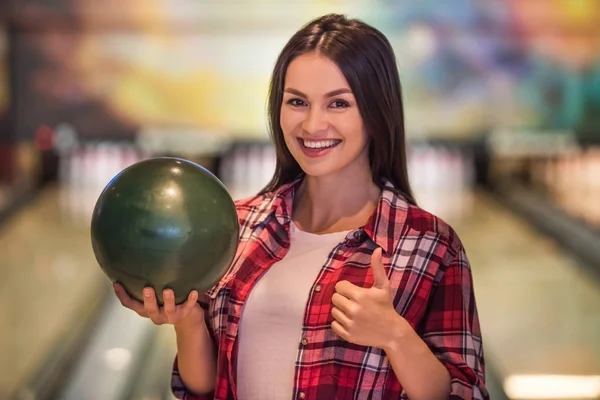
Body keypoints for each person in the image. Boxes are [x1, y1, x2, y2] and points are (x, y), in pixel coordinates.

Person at [114, 13, 488, 400]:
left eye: (338, 104)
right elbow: (205, 389)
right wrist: (189, 322)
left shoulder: (431, 246)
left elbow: (465, 393)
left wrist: (395, 336)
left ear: (377, 112)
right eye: (297, 102)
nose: (312, 125)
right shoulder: (236, 226)